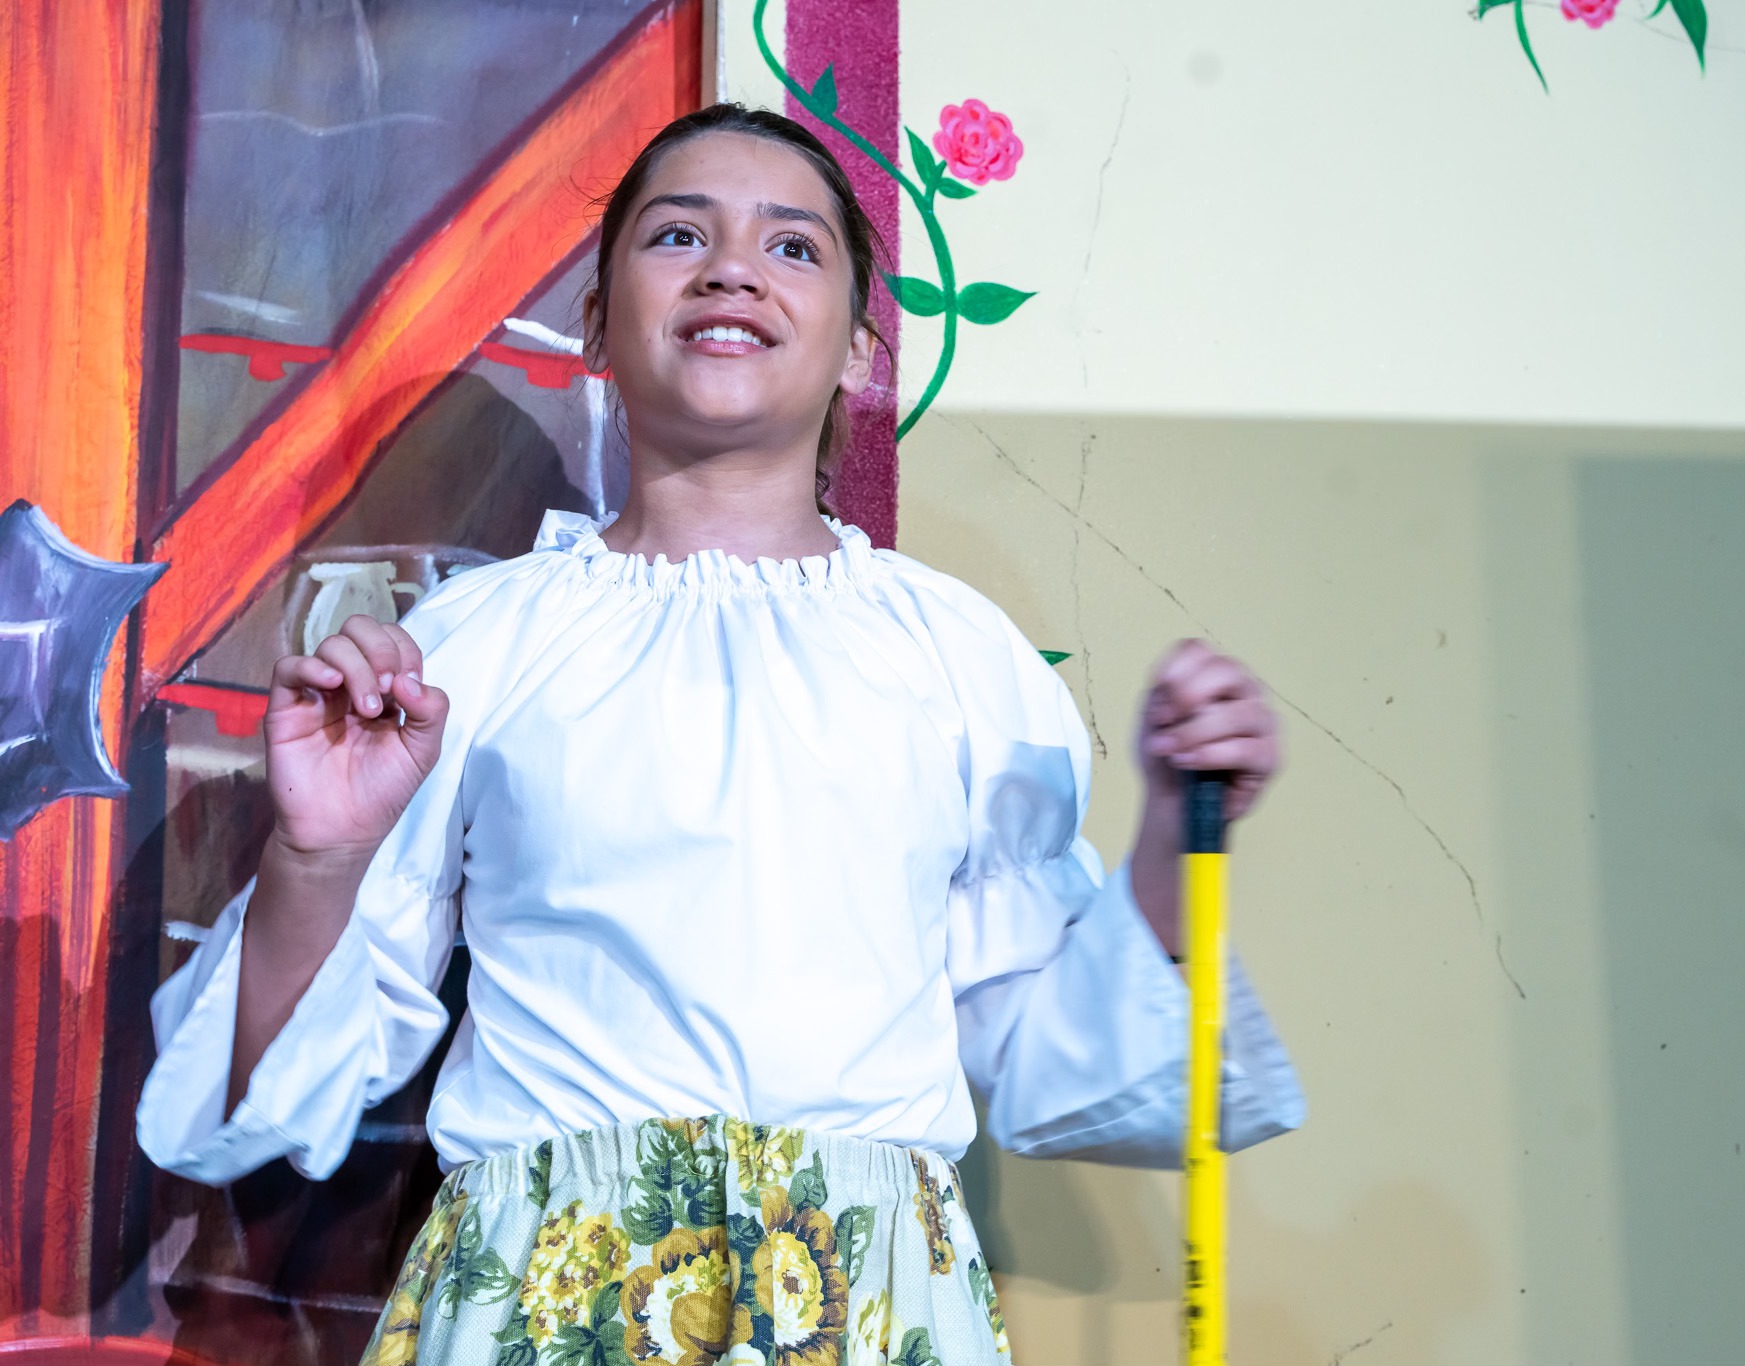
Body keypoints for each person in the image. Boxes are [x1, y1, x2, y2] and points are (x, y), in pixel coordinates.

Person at [138, 102, 1303, 1366]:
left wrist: (1174, 834)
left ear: (859, 347)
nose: (732, 269)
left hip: (865, 1306)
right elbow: (259, 1096)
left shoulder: (957, 652)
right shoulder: (472, 649)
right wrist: (316, 858)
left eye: (792, 246)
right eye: (678, 235)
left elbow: (1059, 1060)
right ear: (599, 324)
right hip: (542, 1299)